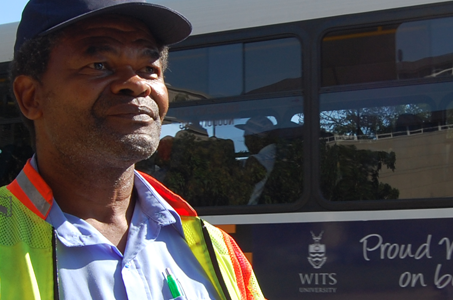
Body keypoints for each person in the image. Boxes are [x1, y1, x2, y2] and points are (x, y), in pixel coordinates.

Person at [0, 0, 265, 299]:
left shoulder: (220, 251)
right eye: (99, 65)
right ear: (31, 97)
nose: (137, 84)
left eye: (149, 69)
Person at [235, 117, 277, 205]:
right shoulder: (275, 154)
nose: (244, 137)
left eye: (246, 134)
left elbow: (241, 194)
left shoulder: (256, 160)